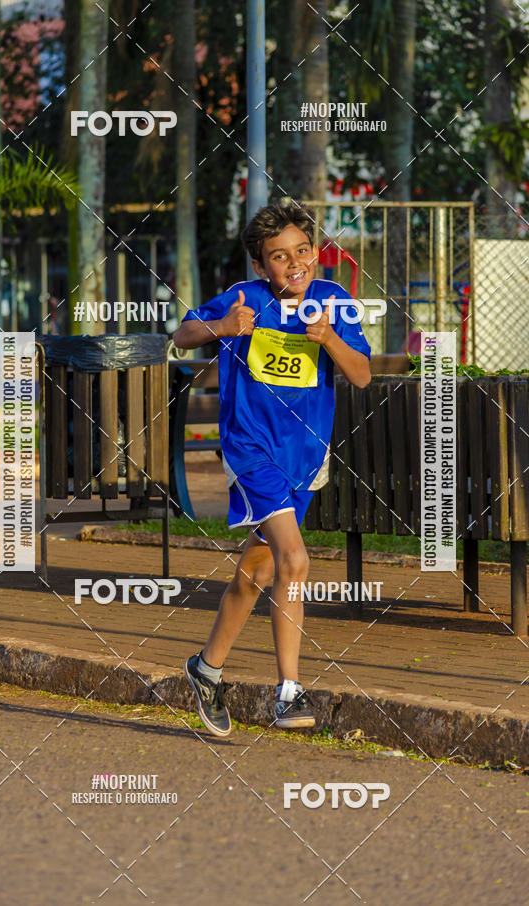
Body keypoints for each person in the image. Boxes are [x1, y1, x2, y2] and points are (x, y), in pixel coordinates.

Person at [172, 199, 371, 737]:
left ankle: (206, 669)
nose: (294, 263)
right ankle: (289, 691)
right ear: (261, 266)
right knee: (295, 559)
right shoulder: (245, 297)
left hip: (304, 456)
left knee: (260, 571)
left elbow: (361, 376)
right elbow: (181, 336)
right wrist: (222, 326)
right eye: (279, 257)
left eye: (302, 251)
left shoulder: (334, 300)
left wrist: (329, 338)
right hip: (250, 449)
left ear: (315, 252)